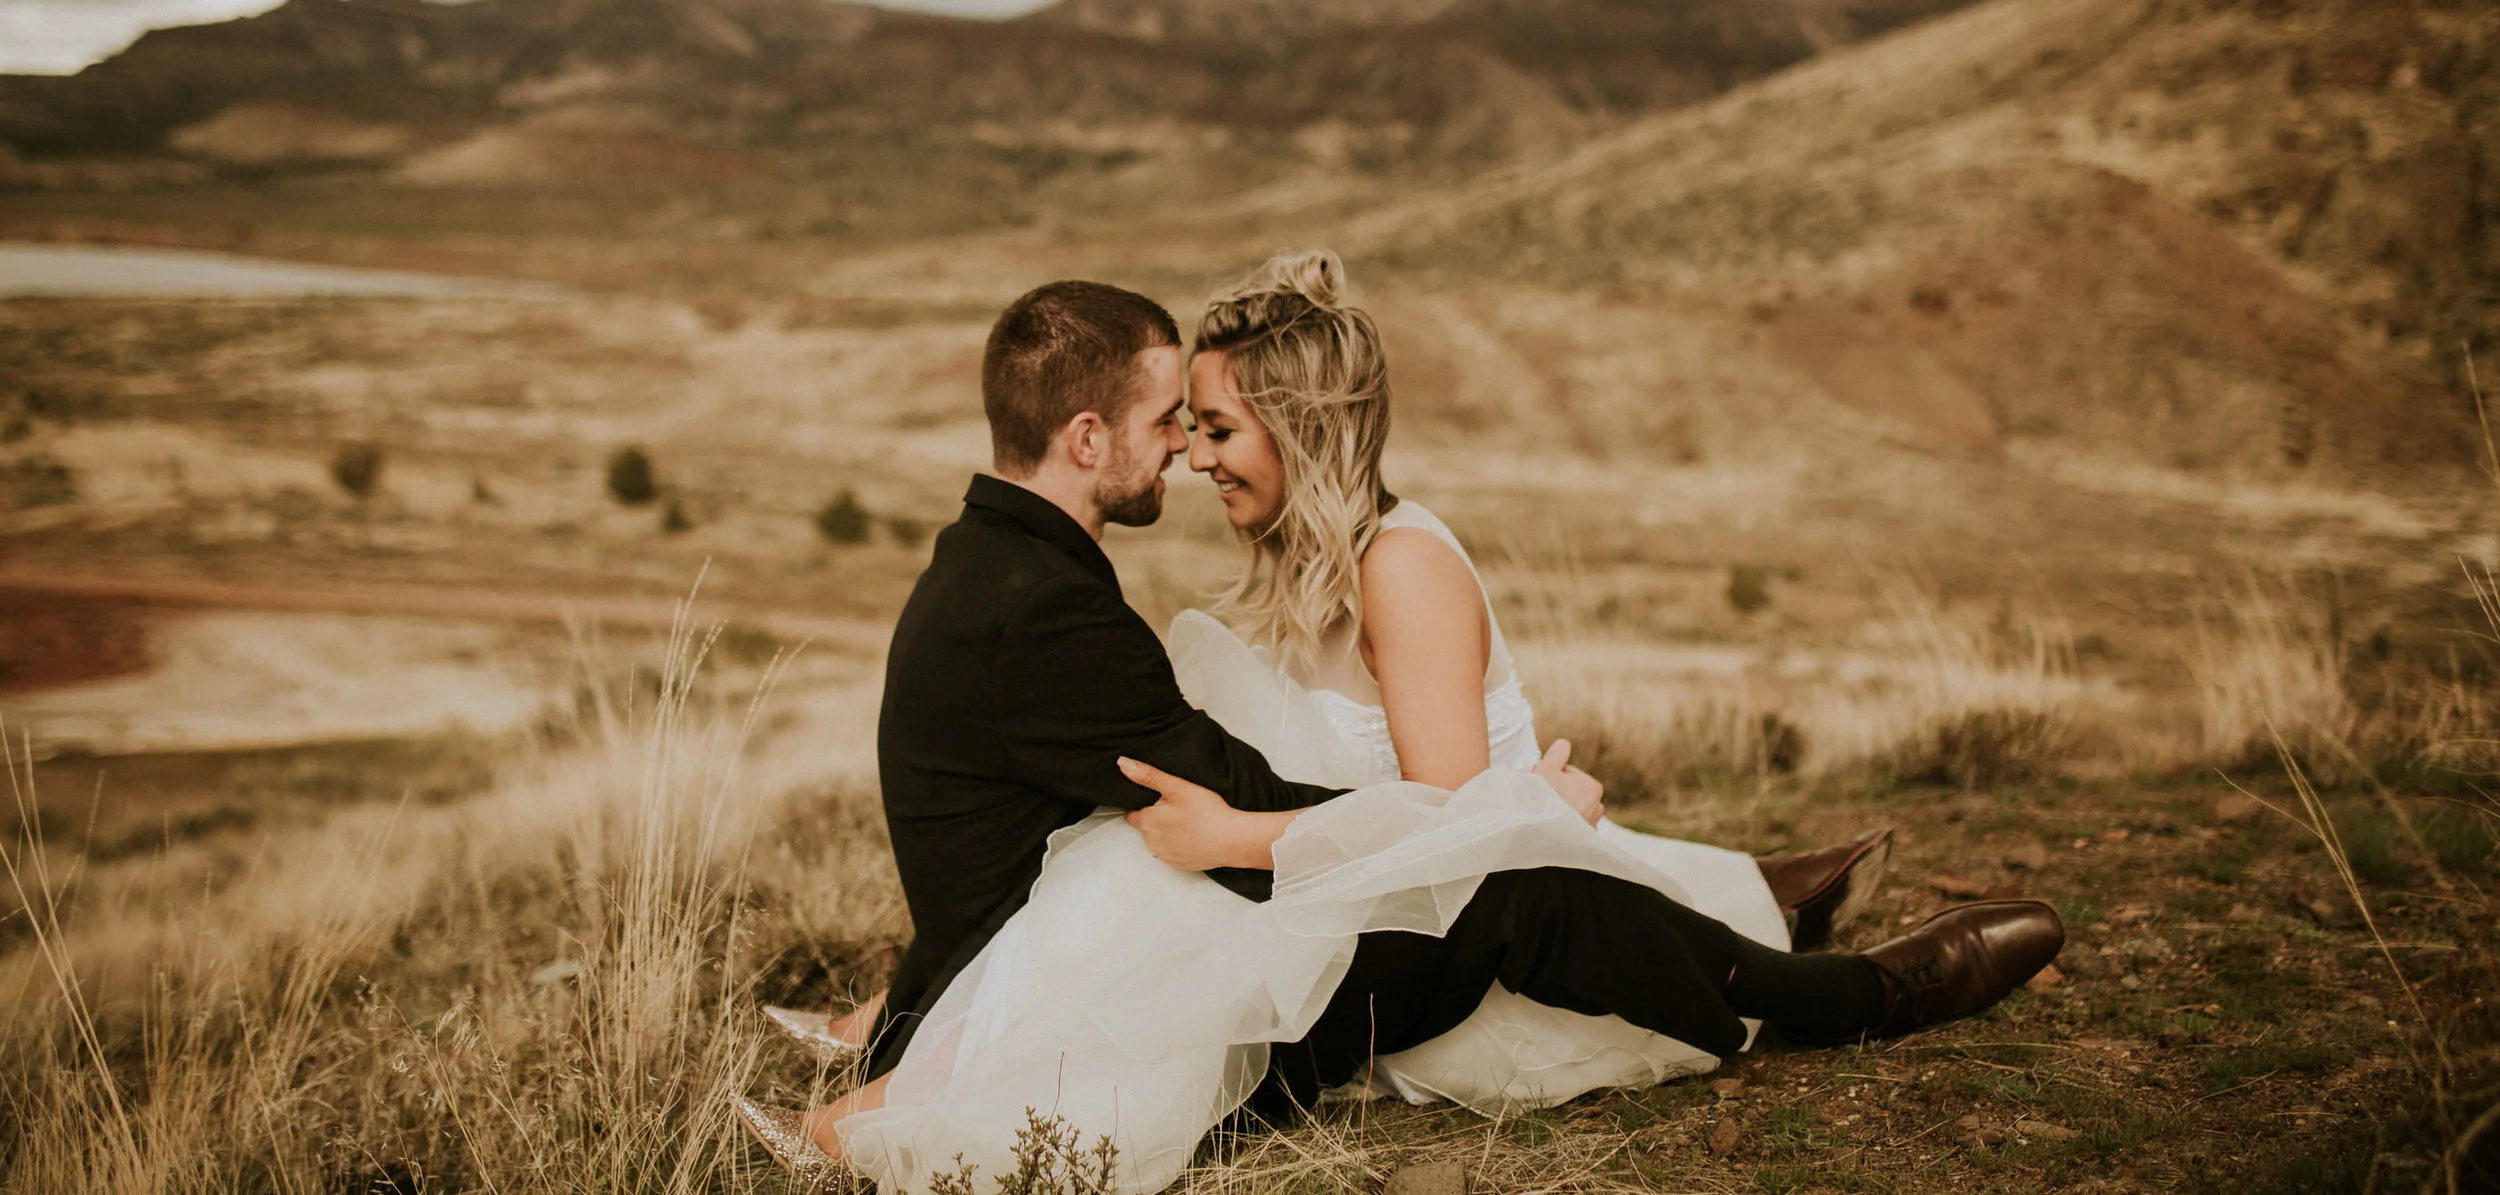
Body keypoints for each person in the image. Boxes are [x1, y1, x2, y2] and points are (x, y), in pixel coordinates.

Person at [734, 262, 2061, 1192]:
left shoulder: (1001, 567)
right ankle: (1856, 1000)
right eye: (1173, 423)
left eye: (1211, 425)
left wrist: (1446, 818)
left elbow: (1201, 805)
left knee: (1511, 878)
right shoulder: (1046, 607)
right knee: (1516, 889)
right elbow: (1236, 801)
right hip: (1155, 954)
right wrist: (1504, 817)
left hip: (1162, 922)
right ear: (1087, 439)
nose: (1187, 452)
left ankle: (1781, 940)